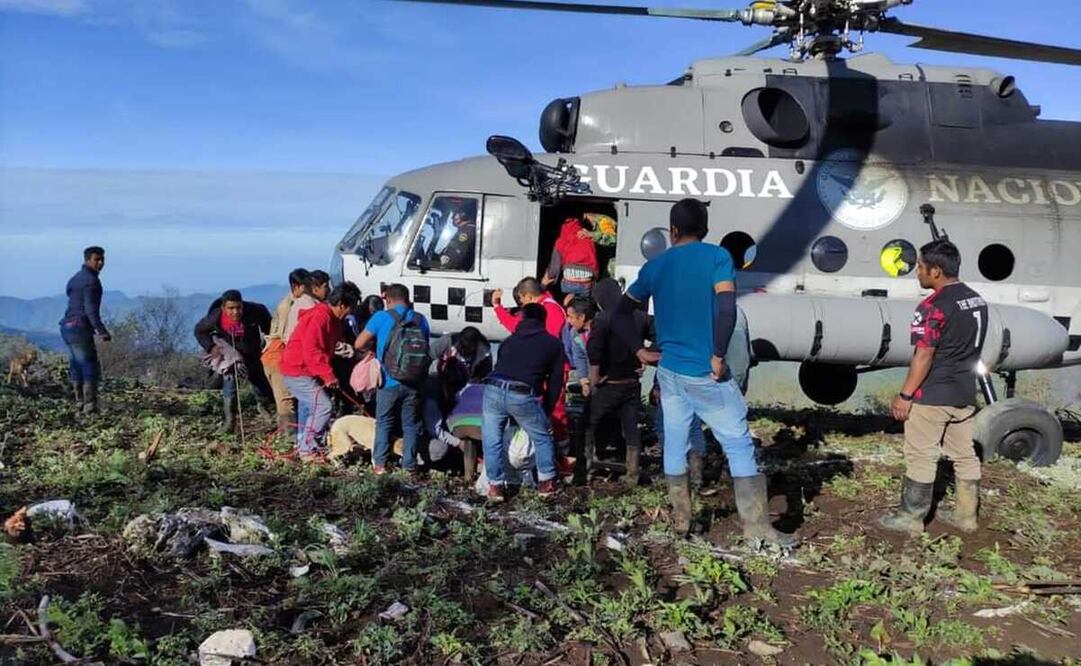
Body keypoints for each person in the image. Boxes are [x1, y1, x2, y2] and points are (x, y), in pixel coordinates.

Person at [616, 198, 797, 545]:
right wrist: (717, 354)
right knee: (738, 441)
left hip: (669, 372)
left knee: (675, 439)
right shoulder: (717, 257)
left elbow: (621, 312)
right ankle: (757, 529)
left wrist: (638, 349)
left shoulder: (656, 266)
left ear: (672, 231)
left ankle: (683, 521)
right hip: (704, 371)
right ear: (706, 229)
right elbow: (727, 309)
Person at [880, 240, 988, 536]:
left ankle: (910, 518)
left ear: (936, 271)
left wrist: (905, 395)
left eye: (920, 267)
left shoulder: (931, 307)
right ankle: (967, 517)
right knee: (964, 454)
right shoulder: (977, 300)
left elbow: (924, 355)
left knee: (921, 455)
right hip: (964, 393)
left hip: (933, 396)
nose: (917, 272)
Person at [481, 303, 565, 503]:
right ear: (543, 321)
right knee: (542, 436)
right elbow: (555, 382)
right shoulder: (552, 344)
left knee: (492, 439)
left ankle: (495, 486)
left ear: (522, 318)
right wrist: (547, 408)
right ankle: (546, 483)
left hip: (492, 389)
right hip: (521, 394)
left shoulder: (509, 341)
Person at [354, 283, 431, 475]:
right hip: (414, 381)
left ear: (387, 299)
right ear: (408, 299)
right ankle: (410, 466)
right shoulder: (421, 320)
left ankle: (380, 465)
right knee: (411, 425)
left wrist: (373, 350)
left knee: (384, 422)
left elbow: (358, 343)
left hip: (388, 380)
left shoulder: (381, 317)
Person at [280, 285, 360, 459]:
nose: (349, 313)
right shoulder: (320, 317)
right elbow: (312, 350)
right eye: (349, 308)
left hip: (305, 370)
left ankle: (305, 445)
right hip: (298, 369)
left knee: (311, 408)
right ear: (340, 304)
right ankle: (307, 449)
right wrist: (328, 375)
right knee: (324, 407)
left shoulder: (331, 319)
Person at [492, 277, 569, 446]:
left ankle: (560, 451)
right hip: (543, 366)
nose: (521, 305)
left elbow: (520, 328)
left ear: (527, 296)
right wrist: (498, 307)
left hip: (552, 367)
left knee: (555, 410)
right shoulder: (544, 307)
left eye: (521, 300)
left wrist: (498, 308)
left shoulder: (550, 309)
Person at [587, 279, 649, 487]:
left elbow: (595, 350)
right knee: (631, 429)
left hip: (609, 383)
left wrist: (595, 378)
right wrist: (648, 356)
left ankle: (585, 468)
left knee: (590, 423)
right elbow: (660, 332)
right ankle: (632, 473)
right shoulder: (638, 316)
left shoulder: (602, 319)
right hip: (631, 382)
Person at [194, 290, 275, 433]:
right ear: (224, 308)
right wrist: (211, 347)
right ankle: (230, 421)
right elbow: (199, 331)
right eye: (231, 308)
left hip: (252, 352)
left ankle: (264, 407)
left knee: (260, 383)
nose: (235, 312)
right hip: (231, 355)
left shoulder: (255, 310)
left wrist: (268, 340)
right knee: (230, 382)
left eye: (238, 307)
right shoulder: (215, 317)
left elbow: (268, 324)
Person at [59, 246, 111, 414]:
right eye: (97, 259)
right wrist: (101, 330)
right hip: (79, 327)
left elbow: (70, 296)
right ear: (88, 260)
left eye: (102, 259)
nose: (101, 263)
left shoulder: (75, 278)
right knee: (89, 365)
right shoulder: (91, 281)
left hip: (67, 328)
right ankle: (90, 406)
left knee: (76, 363)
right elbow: (90, 310)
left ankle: (79, 402)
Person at [263, 268, 311, 434]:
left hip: (285, 355)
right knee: (286, 400)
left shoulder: (298, 303)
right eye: (307, 287)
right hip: (278, 355)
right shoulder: (287, 306)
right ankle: (287, 438)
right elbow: (286, 337)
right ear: (296, 287)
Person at [543, 217, 599, 297]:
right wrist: (595, 278)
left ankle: (568, 305)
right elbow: (595, 263)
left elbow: (554, 268)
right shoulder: (588, 238)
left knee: (569, 298)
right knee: (583, 302)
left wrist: (547, 280)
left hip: (569, 283)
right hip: (586, 283)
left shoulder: (562, 240)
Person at [284, 270, 329, 341]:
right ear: (315, 288)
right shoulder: (310, 305)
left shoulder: (303, 301)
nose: (329, 290)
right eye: (325, 286)